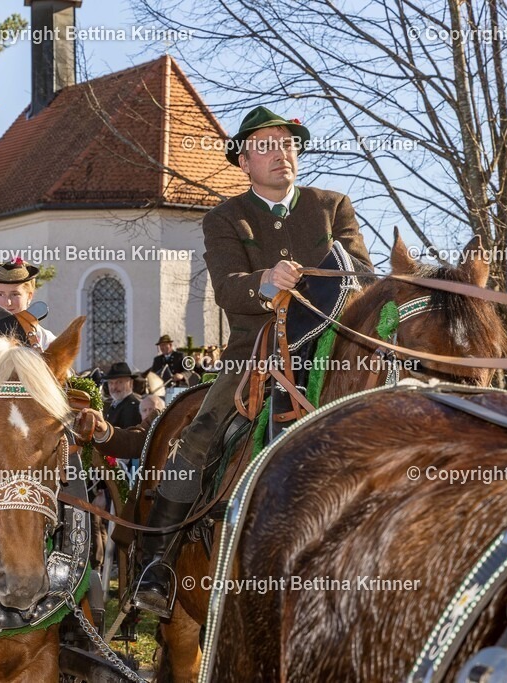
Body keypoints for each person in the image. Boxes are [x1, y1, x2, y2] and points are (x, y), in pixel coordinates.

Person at [131, 106, 373, 617]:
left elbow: (365, 280)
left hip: (333, 349)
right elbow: (227, 289)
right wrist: (265, 283)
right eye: (266, 145)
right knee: (198, 436)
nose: (281, 153)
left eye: (287, 144)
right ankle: (156, 562)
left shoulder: (333, 206)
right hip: (253, 356)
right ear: (243, 160)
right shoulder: (225, 218)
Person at [0, 259, 57, 350]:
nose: (8, 302)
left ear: (29, 296)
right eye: (1, 294)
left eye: (15, 294)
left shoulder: (46, 341)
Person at [103, 362, 142, 429]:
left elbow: (129, 436)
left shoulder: (133, 407)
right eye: (111, 383)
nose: (114, 387)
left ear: (130, 383)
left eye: (119, 382)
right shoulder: (113, 405)